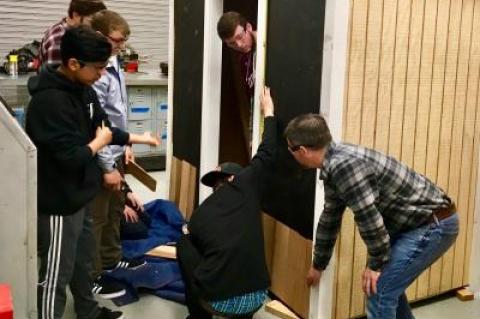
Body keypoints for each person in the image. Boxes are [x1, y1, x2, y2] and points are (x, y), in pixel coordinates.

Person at [26, 26, 159, 319]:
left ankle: (88, 311)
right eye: (98, 68)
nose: (102, 74)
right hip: (59, 202)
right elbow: (70, 157)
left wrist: (136, 139)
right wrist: (98, 143)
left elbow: (103, 127)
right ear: (74, 64)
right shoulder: (48, 103)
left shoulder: (82, 89)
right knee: (56, 272)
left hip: (81, 194)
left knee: (83, 262)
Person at [284, 113, 459, 319]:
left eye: (290, 149)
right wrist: (318, 264)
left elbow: (369, 219)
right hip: (417, 225)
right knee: (387, 288)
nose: (290, 153)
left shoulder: (344, 166)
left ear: (302, 151)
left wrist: (376, 264)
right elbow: (330, 217)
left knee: (380, 291)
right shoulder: (334, 163)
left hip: (432, 225)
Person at [177, 87, 276, 319]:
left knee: (183, 243)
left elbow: (196, 241)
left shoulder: (200, 214)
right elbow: (268, 150)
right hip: (257, 297)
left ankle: (197, 316)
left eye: (218, 181)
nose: (216, 187)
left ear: (231, 179)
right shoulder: (247, 187)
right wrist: (269, 112)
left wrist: (189, 231)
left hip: (217, 304)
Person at [88, 9, 146, 299]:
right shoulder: (95, 71)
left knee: (113, 212)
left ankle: (110, 260)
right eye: (117, 41)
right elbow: (97, 124)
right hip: (103, 156)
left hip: (116, 151)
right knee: (97, 217)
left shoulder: (112, 61)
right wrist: (107, 164)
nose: (121, 46)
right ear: (99, 35)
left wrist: (128, 146)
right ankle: (92, 275)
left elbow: (118, 111)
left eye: (123, 42)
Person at [39, 0, 107, 66]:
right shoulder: (59, 40)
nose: (96, 26)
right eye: (92, 20)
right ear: (76, 15)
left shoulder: (77, 33)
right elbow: (54, 76)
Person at [217, 11, 257, 101]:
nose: (239, 45)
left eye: (240, 37)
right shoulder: (243, 61)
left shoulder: (267, 44)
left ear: (248, 27)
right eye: (232, 43)